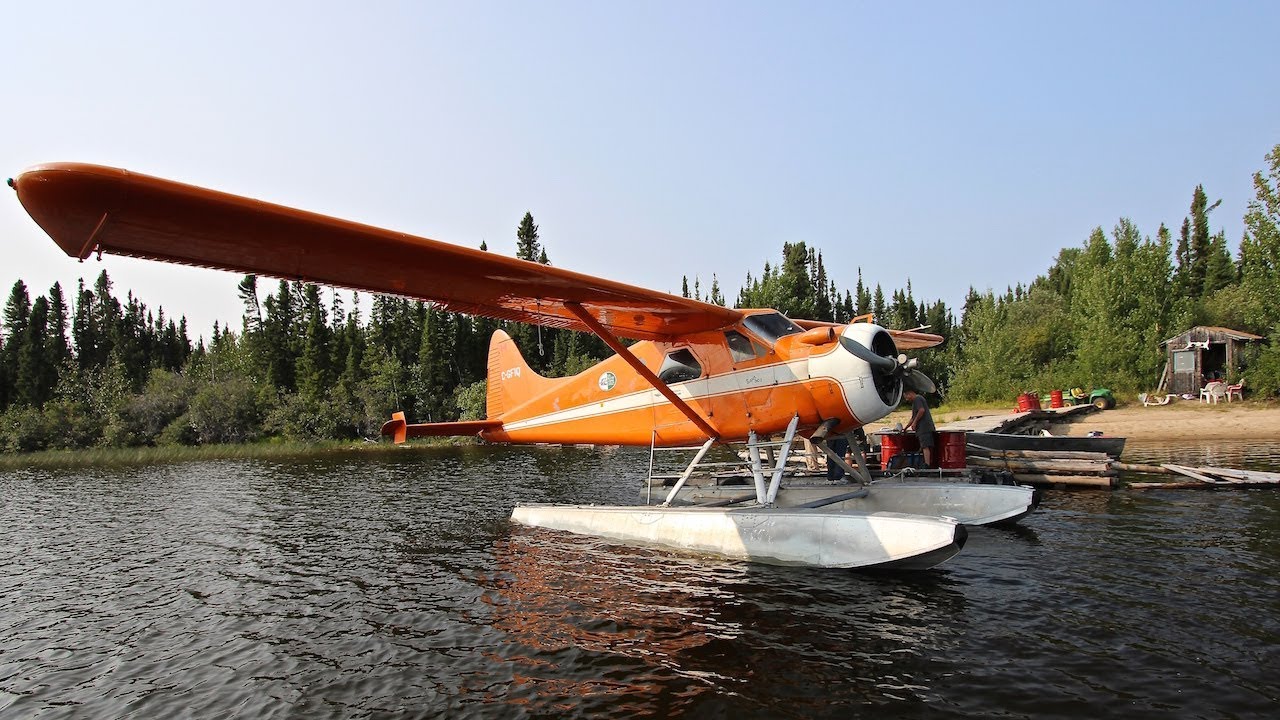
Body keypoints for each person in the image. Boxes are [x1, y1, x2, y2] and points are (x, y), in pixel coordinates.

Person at [903, 388, 937, 468]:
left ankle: (927, 465)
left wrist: (915, 423)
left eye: (906, 397)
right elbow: (913, 417)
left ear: (910, 393)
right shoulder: (916, 402)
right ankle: (925, 463)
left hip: (924, 427)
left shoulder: (917, 399)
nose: (907, 399)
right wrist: (905, 428)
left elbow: (921, 410)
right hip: (922, 428)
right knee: (923, 446)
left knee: (925, 446)